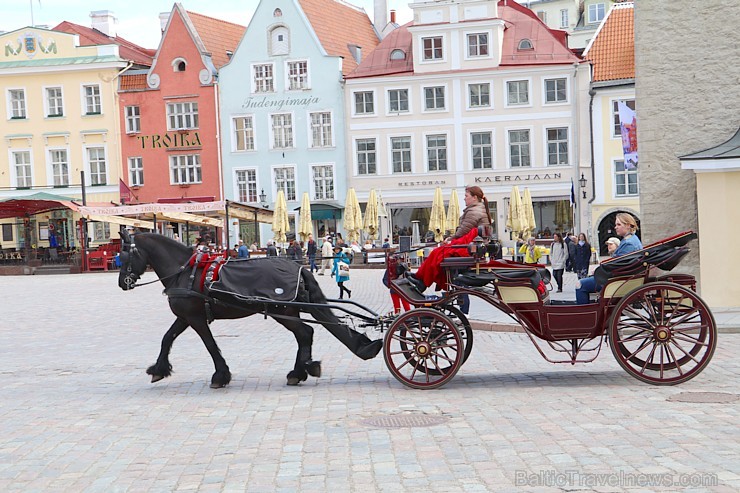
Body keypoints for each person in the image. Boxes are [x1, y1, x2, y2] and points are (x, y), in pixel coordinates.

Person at [406, 186, 492, 293]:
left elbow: (463, 231)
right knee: (437, 253)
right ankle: (421, 279)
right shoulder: (478, 209)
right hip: (472, 246)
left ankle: (421, 280)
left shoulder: (474, 211)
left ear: (474, 197)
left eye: (466, 196)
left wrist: (450, 239)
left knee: (438, 253)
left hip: (469, 248)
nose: (464, 198)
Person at [575, 213, 643, 304]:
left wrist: (600, 270)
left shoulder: (629, 243)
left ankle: (584, 315)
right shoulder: (631, 240)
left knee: (580, 285)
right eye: (615, 224)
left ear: (627, 225)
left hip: (617, 280)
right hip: (620, 278)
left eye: (618, 224)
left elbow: (618, 265)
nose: (615, 227)